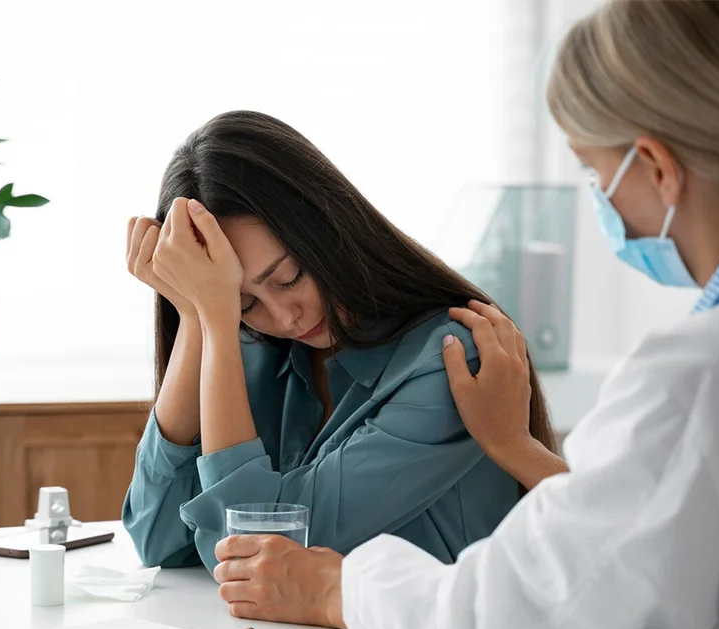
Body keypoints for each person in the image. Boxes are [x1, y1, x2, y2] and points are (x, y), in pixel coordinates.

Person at [212, 1, 719, 629]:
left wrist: (335, 587)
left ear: (657, 167)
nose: (600, 201)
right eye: (245, 300)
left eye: (594, 175)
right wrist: (517, 448)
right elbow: (651, 532)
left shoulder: (703, 375)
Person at [121, 111, 561, 572]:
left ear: (326, 230)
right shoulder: (253, 352)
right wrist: (196, 316)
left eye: (288, 278)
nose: (283, 317)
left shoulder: (451, 361)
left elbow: (255, 555)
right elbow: (157, 540)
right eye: (244, 303)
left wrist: (216, 318)